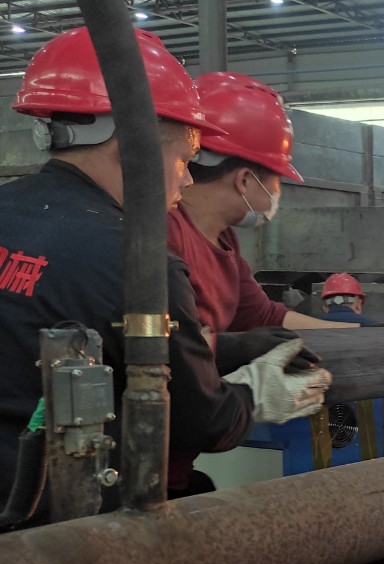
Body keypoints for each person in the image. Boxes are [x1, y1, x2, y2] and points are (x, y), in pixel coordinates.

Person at [0, 27, 331, 518]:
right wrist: (255, 394)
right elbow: (205, 421)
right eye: (184, 158)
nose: (188, 178)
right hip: (61, 524)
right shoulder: (136, 260)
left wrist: (232, 347)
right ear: (134, 149)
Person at [167, 72, 356, 336]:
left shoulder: (224, 239)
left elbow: (262, 316)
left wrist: (360, 332)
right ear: (244, 180)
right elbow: (170, 345)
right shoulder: (167, 235)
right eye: (277, 179)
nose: (277, 191)